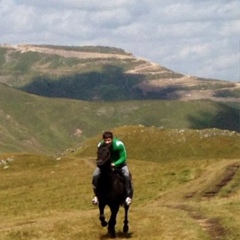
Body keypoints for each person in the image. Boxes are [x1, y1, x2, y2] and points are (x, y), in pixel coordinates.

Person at [92, 131, 133, 206]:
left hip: (120, 164)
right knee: (95, 175)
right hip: (106, 165)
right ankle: (96, 196)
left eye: (109, 140)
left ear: (112, 139)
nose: (107, 142)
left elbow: (123, 157)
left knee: (126, 176)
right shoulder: (100, 145)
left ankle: (128, 196)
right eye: (105, 140)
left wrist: (115, 164)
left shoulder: (119, 145)